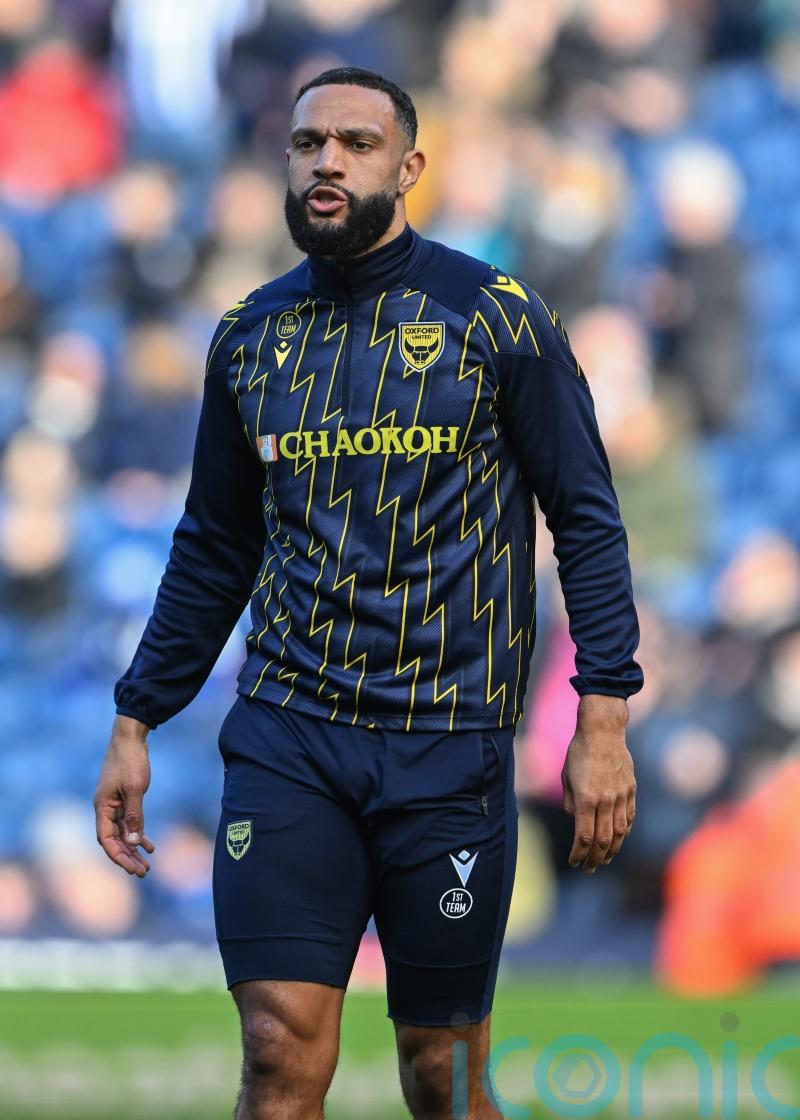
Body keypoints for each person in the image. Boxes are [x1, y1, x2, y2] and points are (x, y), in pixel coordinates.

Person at [94, 67, 643, 1120]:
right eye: (307, 146)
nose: (327, 162)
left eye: (353, 142)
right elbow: (214, 546)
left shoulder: (497, 319)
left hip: (448, 740)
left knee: (440, 1074)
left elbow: (584, 518)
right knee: (275, 1051)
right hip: (290, 735)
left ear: (408, 167)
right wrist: (138, 712)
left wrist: (601, 716)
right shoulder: (249, 337)